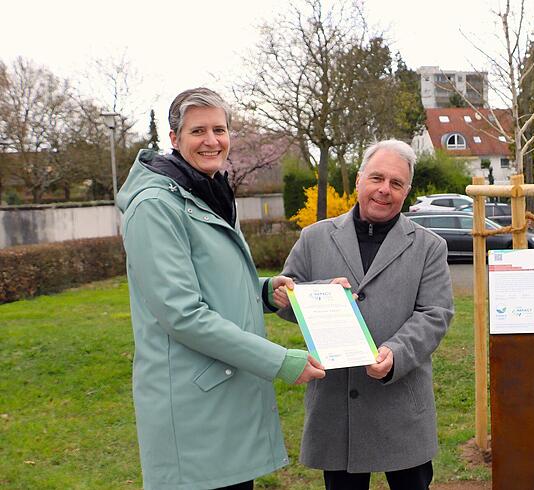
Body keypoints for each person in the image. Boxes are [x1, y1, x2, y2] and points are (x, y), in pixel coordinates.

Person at [117, 87, 325, 489]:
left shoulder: (204, 191)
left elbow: (208, 281)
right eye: (198, 131)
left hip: (219, 399)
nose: (212, 141)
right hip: (193, 410)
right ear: (174, 140)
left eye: (219, 129)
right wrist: (280, 360)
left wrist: (264, 291)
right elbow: (183, 314)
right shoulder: (156, 206)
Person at [275, 139, 453, 490]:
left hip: (401, 404)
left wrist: (396, 352)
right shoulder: (314, 238)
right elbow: (288, 294)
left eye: (396, 183)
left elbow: (435, 313)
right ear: (359, 180)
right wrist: (301, 296)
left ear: (407, 191)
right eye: (376, 178)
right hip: (337, 408)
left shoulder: (429, 246)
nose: (384, 190)